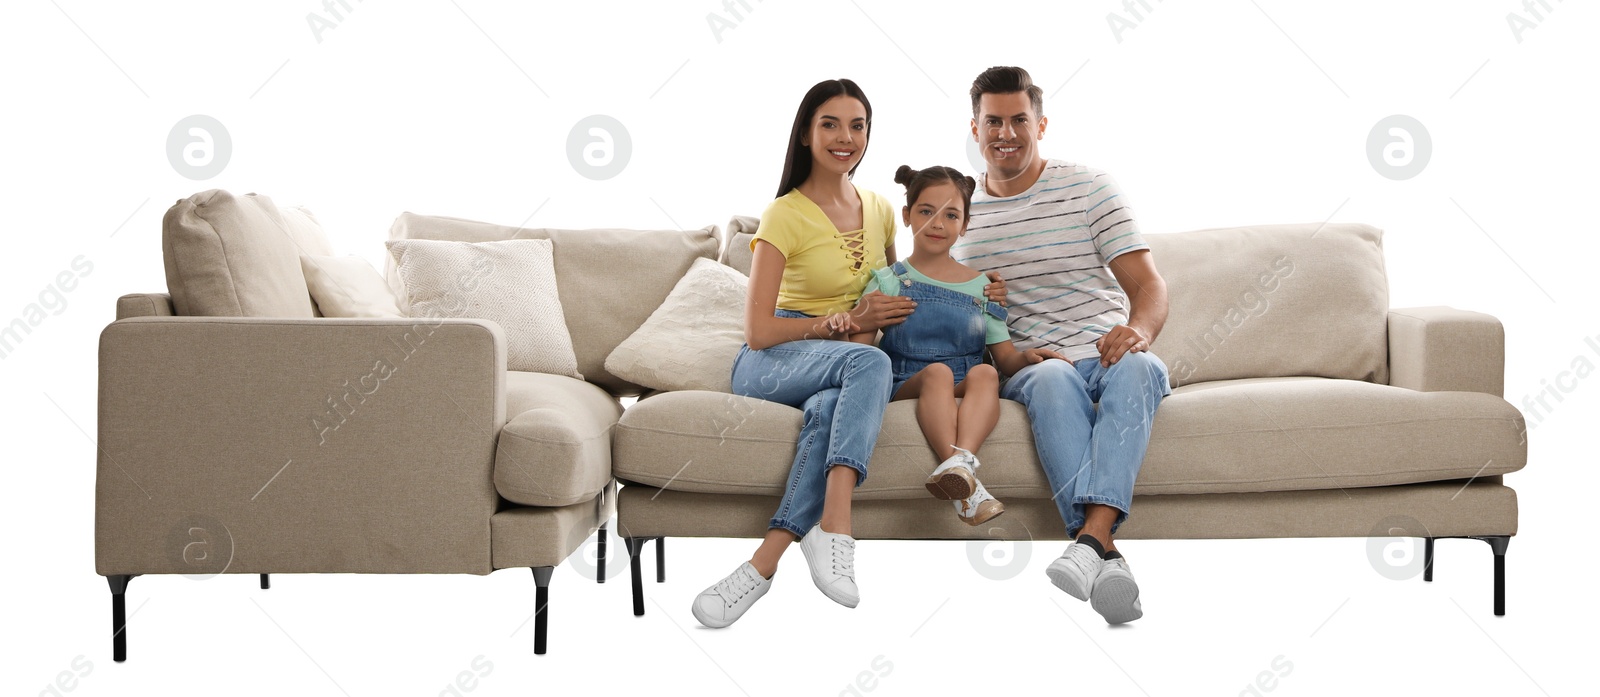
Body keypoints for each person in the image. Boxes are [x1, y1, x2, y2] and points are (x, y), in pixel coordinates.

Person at [689, 79, 1005, 629]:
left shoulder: (881, 208)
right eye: (830, 124)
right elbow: (759, 331)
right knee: (870, 363)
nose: (845, 137)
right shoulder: (783, 214)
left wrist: (985, 293)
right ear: (807, 134)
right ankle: (836, 524)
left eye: (857, 125)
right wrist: (845, 325)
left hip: (844, 364)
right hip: (775, 359)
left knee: (827, 412)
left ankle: (760, 566)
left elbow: (898, 285)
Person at [954, 66, 1172, 625]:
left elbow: (1148, 287)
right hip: (1033, 363)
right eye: (993, 122)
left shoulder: (1090, 188)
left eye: (1018, 120)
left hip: (1104, 350)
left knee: (1140, 368)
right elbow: (943, 309)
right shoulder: (956, 212)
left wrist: (1140, 331)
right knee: (1051, 379)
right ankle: (1103, 548)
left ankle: (1092, 543)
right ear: (972, 128)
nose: (1006, 133)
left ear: (1041, 124)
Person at [847, 164, 1068, 527]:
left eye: (951, 215)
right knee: (937, 374)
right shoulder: (888, 281)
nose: (938, 223)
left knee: (985, 372)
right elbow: (860, 355)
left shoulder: (983, 287)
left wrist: (1028, 357)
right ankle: (960, 467)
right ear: (906, 216)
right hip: (906, 381)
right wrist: (857, 317)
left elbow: (1005, 359)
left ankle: (961, 466)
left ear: (964, 225)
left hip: (963, 377)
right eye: (926, 211)